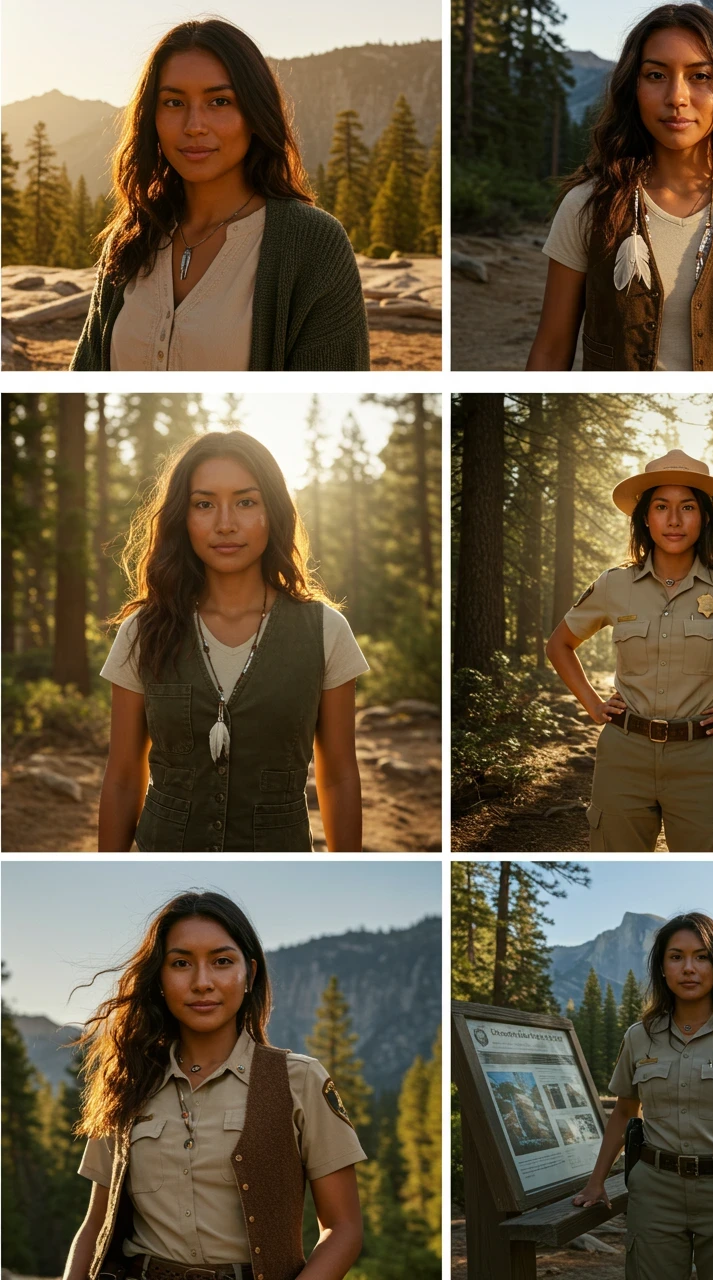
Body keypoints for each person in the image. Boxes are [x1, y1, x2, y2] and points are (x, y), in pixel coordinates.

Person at [64, 891, 366, 1280]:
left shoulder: (299, 1080)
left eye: (222, 961)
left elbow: (343, 1228)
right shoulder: (128, 1080)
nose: (202, 982)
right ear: (159, 978)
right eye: (181, 963)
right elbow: (95, 1226)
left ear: (250, 975)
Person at [97, 431, 368, 853]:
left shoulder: (325, 631)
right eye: (204, 504)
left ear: (272, 511)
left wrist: (347, 875)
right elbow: (122, 777)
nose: (225, 523)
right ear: (182, 517)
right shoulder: (142, 631)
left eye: (246, 502)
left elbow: (338, 777)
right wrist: (108, 873)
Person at [527, 5, 713, 372]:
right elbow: (550, 351)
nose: (677, 97)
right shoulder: (586, 204)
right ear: (633, 87)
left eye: (700, 76)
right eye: (656, 75)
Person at [71, 19, 369, 371]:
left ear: (254, 113)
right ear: (152, 116)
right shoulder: (132, 237)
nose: (194, 126)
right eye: (173, 102)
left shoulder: (313, 244)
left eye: (219, 101)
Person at [546, 449, 713, 852]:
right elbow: (559, 644)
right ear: (645, 518)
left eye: (687, 507)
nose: (674, 520)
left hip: (699, 759)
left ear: (705, 518)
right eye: (661, 506)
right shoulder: (614, 584)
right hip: (623, 756)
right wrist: (593, 706)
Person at [572, 913, 713, 1280]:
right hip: (654, 1194)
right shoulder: (639, 1037)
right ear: (662, 968)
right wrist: (596, 1182)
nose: (689, 968)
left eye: (702, 956)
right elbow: (624, 1113)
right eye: (676, 957)